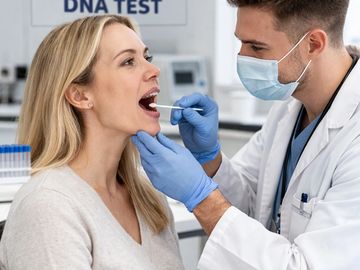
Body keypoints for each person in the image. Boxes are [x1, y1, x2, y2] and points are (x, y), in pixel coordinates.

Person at [131, 0, 360, 269]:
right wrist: (210, 159)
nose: (243, 58)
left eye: (257, 47)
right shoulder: (289, 107)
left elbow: (305, 266)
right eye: (241, 43)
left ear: (313, 44)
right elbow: (254, 204)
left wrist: (201, 197)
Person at [0, 15, 185, 270]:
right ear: (80, 95)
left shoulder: (149, 196)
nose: (155, 70)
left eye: (147, 57)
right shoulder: (48, 206)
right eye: (128, 61)